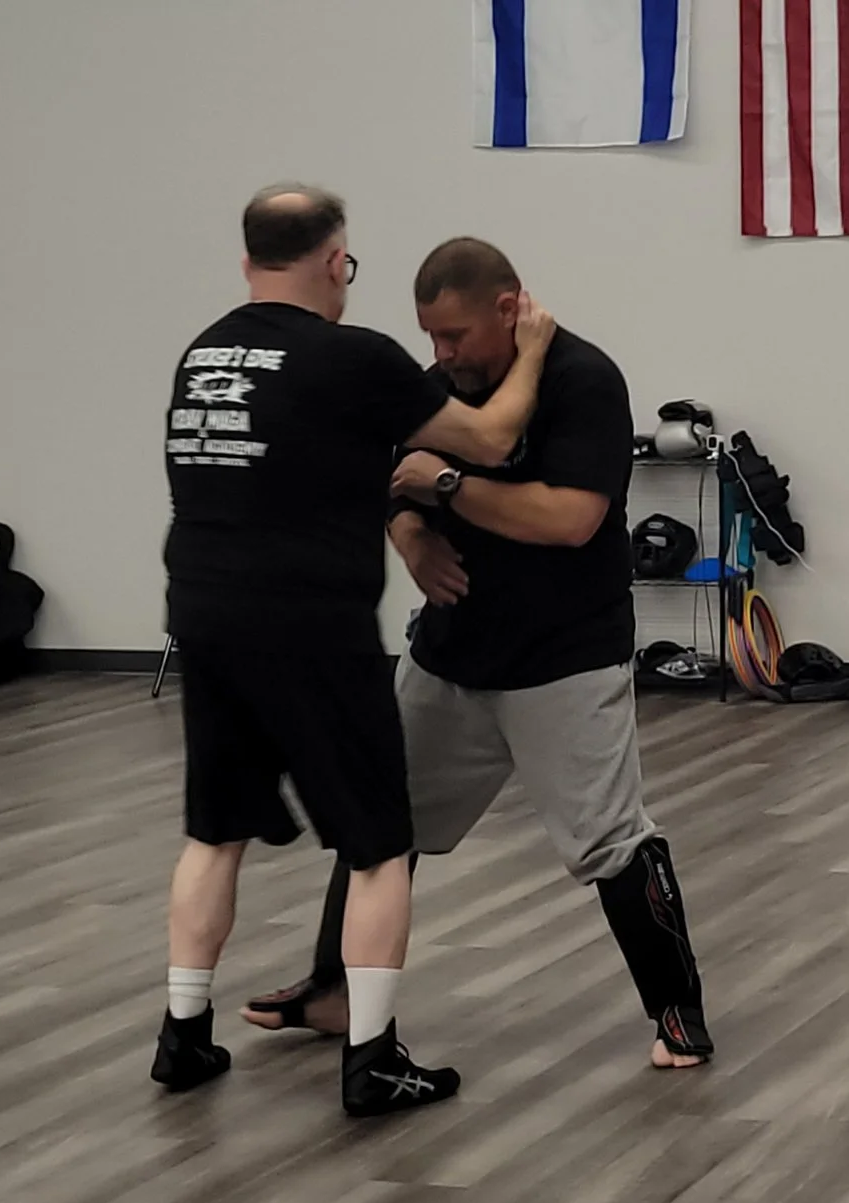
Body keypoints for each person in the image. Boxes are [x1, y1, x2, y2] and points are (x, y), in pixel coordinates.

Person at [241, 237, 714, 1070]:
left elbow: (569, 520)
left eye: (455, 336)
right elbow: (389, 486)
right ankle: (335, 992)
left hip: (566, 660)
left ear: (508, 308)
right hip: (451, 657)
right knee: (379, 826)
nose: (443, 354)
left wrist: (447, 488)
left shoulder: (583, 381)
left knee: (611, 840)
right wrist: (414, 539)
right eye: (430, 337)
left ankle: (678, 1012)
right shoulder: (435, 391)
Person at [154, 186, 555, 1116]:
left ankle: (182, 1035)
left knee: (215, 830)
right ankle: (372, 1059)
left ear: (248, 257)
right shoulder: (353, 358)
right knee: (381, 845)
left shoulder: (204, 354)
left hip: (203, 614)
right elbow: (491, 439)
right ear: (336, 262)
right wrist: (531, 352)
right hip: (310, 626)